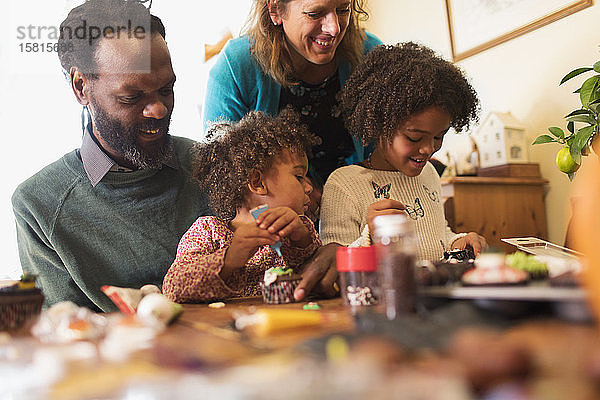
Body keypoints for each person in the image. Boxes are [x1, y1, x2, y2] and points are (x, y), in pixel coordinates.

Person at [11, 0, 212, 312]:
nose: (157, 109)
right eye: (131, 97)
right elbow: (69, 336)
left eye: (166, 90)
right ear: (81, 87)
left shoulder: (210, 165)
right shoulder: (40, 204)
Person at [203, 0, 382, 220]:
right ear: (276, 9)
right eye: (315, 13)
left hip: (358, 217)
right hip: (273, 230)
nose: (334, 28)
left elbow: (383, 157)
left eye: (343, 10)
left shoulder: (370, 56)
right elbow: (220, 177)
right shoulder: (237, 66)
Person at [320, 43, 487, 261]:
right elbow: (335, 268)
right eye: (414, 137)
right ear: (378, 125)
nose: (429, 149)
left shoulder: (428, 173)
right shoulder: (344, 185)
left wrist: (458, 241)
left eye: (438, 136)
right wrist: (370, 237)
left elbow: (436, 235)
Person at [163, 109, 323, 302]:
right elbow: (173, 287)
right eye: (298, 177)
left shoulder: (300, 230)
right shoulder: (208, 231)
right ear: (257, 182)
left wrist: (303, 241)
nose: (308, 187)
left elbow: (322, 280)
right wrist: (230, 259)